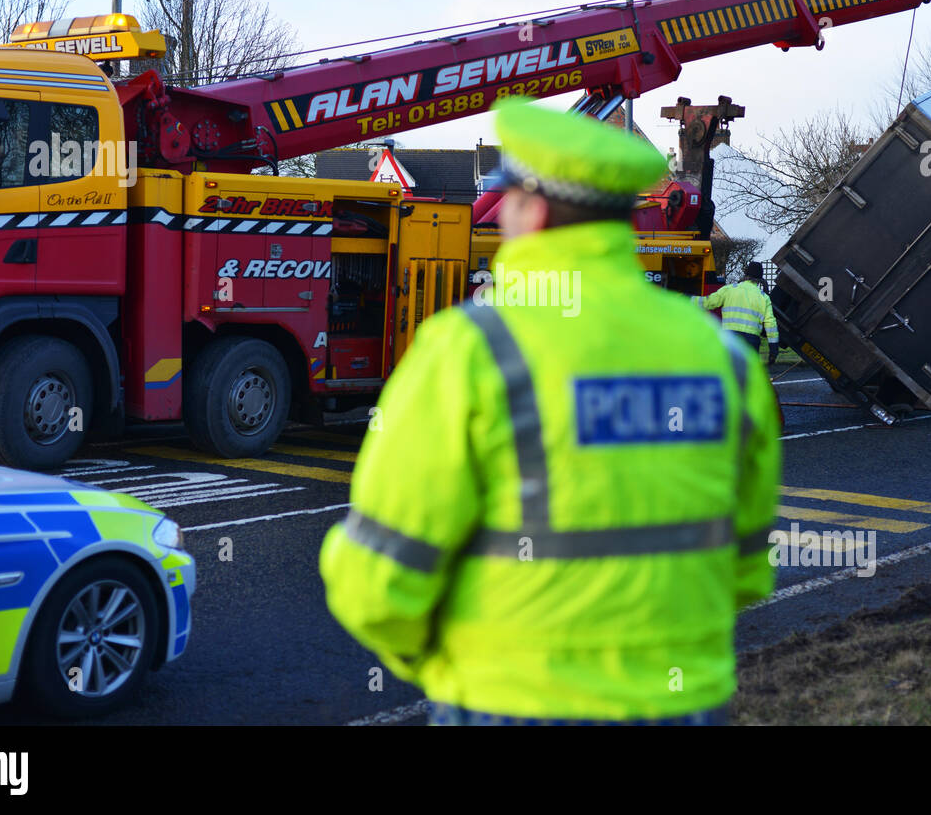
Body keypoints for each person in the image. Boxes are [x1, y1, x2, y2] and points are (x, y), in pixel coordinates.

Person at [319, 97, 781, 725]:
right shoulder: (723, 360)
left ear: (532, 211)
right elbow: (748, 568)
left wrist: (449, 664)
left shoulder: (471, 351)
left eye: (503, 199)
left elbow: (381, 581)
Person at [695, 261, 780, 364]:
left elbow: (707, 302)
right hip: (751, 340)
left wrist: (684, 298)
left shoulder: (729, 290)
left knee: (728, 372)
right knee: (747, 375)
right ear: (760, 279)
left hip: (730, 338)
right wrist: (773, 350)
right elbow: (771, 324)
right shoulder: (764, 297)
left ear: (746, 275)